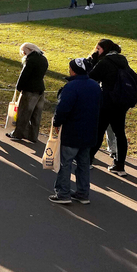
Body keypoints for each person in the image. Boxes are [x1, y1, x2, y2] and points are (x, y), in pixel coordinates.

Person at [50, 59, 103, 205]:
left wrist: (57, 122)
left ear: (73, 70)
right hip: (90, 131)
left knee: (65, 162)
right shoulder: (95, 86)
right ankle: (82, 193)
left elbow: (63, 108)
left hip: (72, 131)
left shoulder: (71, 87)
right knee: (83, 164)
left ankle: (63, 193)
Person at [86, 39, 137, 173]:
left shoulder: (105, 62)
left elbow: (91, 77)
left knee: (98, 130)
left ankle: (88, 160)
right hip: (121, 103)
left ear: (105, 49)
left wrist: (93, 61)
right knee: (120, 133)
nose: (96, 51)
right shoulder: (122, 61)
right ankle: (120, 165)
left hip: (107, 102)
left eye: (98, 49)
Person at [10, 43, 49, 143]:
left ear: (28, 49)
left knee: (24, 113)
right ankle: (33, 136)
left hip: (30, 90)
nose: (23, 54)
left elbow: (24, 75)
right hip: (40, 89)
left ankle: (18, 134)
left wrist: (18, 87)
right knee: (36, 115)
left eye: (23, 51)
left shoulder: (30, 60)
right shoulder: (43, 59)